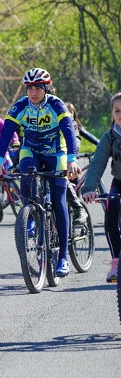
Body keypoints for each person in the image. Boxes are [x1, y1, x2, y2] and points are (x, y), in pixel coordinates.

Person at [0, 68, 79, 277]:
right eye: (30, 88)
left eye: (38, 88)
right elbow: (5, 135)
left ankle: (63, 257)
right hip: (31, 149)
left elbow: (68, 130)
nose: (33, 92)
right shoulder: (20, 106)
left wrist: (72, 160)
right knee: (26, 173)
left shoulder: (56, 105)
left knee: (58, 201)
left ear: (45, 88)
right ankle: (30, 217)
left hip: (56, 152)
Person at [80, 92, 121, 282]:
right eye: (117, 110)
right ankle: (116, 262)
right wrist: (89, 188)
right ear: (112, 113)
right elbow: (98, 163)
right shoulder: (110, 137)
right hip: (119, 183)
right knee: (111, 213)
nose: (120, 114)